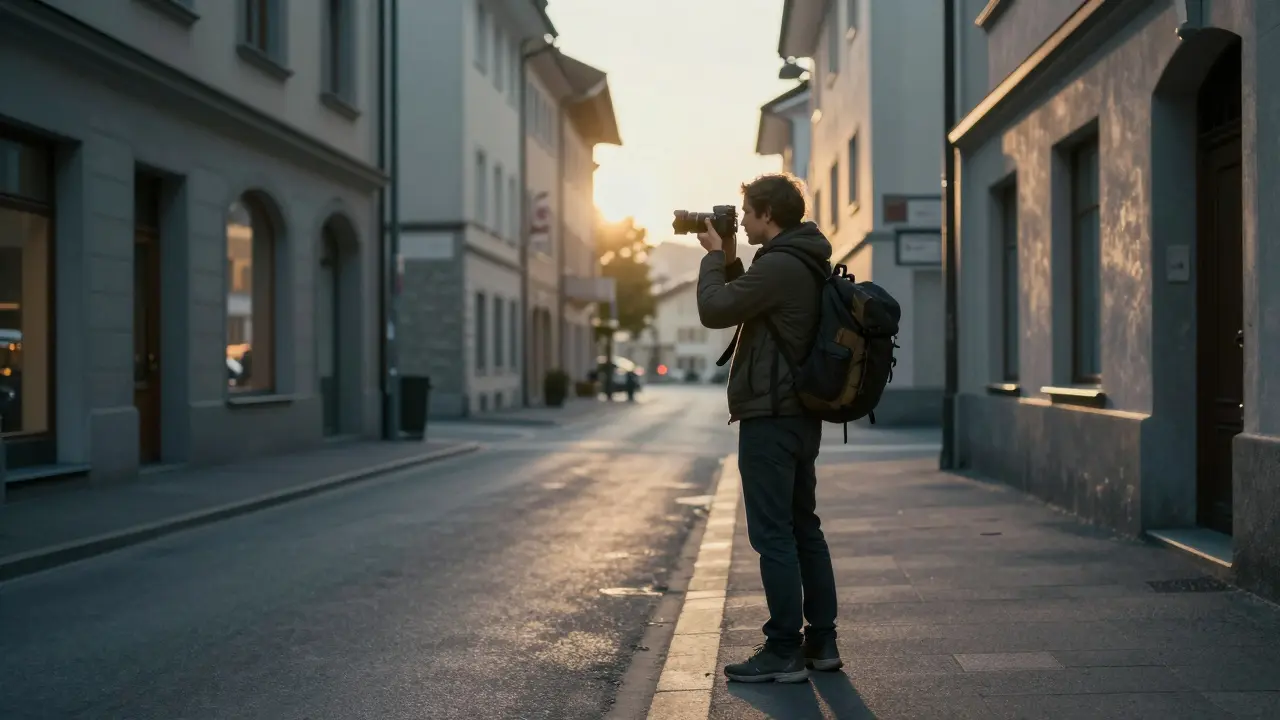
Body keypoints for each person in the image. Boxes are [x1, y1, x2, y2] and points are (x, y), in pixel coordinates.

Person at [695, 173, 841, 683]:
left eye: (746, 214)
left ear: (767, 215)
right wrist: (730, 254)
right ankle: (821, 642)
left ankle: (783, 650)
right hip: (799, 416)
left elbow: (717, 308)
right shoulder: (803, 259)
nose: (742, 221)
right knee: (804, 528)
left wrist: (713, 257)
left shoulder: (781, 264)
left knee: (774, 534)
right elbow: (749, 298)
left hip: (771, 417)